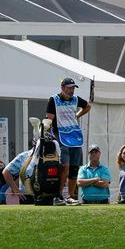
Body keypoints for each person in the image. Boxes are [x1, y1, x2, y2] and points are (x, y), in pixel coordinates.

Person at [46, 77, 92, 205]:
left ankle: (70, 196)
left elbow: (88, 106)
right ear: (62, 88)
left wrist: (77, 115)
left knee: (74, 168)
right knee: (64, 166)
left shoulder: (76, 99)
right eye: (69, 88)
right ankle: (58, 196)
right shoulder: (53, 100)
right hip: (60, 136)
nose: (71, 90)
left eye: (73, 88)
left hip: (75, 137)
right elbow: (49, 118)